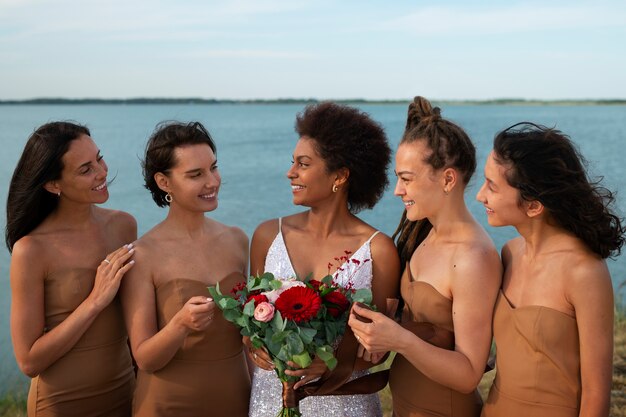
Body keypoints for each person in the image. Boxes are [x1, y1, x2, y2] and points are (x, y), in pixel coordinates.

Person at [349, 96, 502, 417]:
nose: (397, 190)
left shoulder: (473, 257)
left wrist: (399, 340)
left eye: (406, 179)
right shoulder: (424, 234)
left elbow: (469, 373)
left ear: (447, 179)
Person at [247, 102, 401, 417]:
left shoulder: (379, 250)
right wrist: (254, 344)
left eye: (303, 164)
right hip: (270, 399)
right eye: (293, 162)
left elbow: (379, 350)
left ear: (340, 175)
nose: (291, 172)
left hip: (344, 404)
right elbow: (251, 319)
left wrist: (330, 361)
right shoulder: (267, 235)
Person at [475, 122, 624, 417]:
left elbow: (596, 393)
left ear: (533, 206)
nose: (480, 195)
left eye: (492, 186)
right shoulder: (509, 253)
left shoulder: (584, 272)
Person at [6, 121, 136, 417]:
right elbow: (28, 361)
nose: (102, 172)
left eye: (99, 158)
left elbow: (133, 317)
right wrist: (94, 301)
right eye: (85, 169)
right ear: (53, 184)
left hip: (126, 394)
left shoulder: (124, 225)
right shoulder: (32, 250)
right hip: (61, 404)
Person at [120, 121, 250, 417]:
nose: (212, 181)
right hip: (168, 403)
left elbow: (247, 338)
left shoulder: (237, 240)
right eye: (196, 175)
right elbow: (144, 358)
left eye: (213, 168)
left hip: (235, 396)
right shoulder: (143, 254)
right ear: (164, 182)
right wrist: (179, 325)